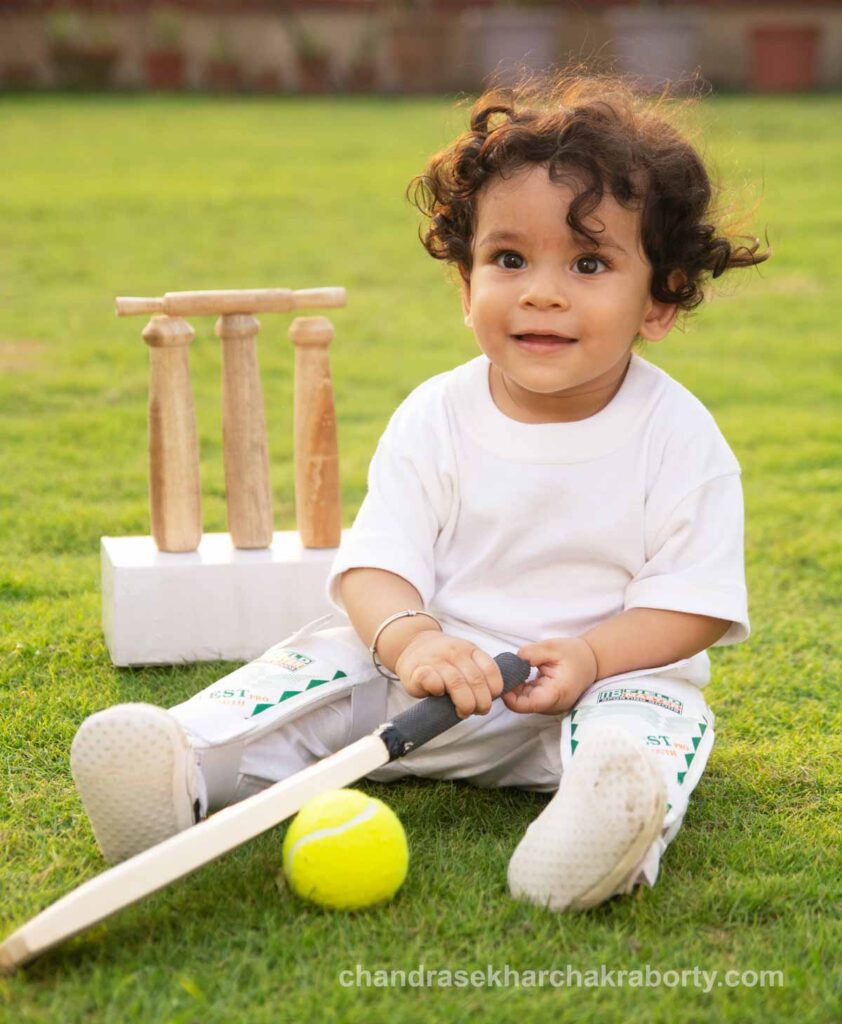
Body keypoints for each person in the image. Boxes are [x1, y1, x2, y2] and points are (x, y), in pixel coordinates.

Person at [71, 70, 768, 912]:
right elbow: (376, 567)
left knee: (655, 718)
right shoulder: (437, 415)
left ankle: (601, 827)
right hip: (425, 693)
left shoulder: (679, 436)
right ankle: (181, 764)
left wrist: (590, 656)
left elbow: (693, 605)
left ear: (659, 300)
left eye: (589, 262)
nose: (541, 289)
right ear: (466, 281)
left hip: (588, 694)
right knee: (319, 661)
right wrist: (414, 643)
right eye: (509, 258)